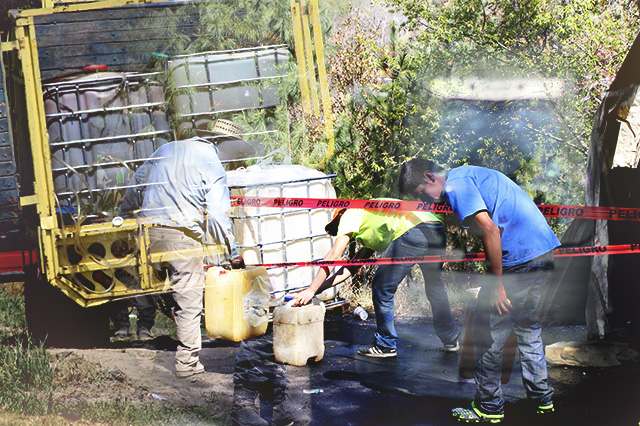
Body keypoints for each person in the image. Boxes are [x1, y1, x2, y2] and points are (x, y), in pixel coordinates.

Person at [399, 158, 559, 424]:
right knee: (527, 327)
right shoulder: (467, 175)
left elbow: (490, 229)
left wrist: (496, 284)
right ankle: (542, 400)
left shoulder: (454, 187)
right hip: (541, 253)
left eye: (421, 193)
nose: (426, 201)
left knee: (487, 335)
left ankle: (489, 407)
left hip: (518, 259)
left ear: (429, 178)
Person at [120, 137, 245, 377]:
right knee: (188, 298)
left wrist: (124, 216)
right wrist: (231, 253)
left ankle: (142, 341)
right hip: (182, 236)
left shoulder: (166, 148)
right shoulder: (212, 162)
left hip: (148, 231)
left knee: (148, 287)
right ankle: (187, 363)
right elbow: (219, 215)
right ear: (222, 148)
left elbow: (136, 183)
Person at [291, 201, 459, 357]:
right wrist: (315, 289)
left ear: (340, 215)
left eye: (338, 229)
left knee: (381, 286)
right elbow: (351, 267)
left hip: (413, 230)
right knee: (434, 286)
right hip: (434, 227)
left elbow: (334, 255)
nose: (343, 233)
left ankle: (385, 344)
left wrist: (311, 289)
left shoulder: (350, 213)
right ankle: (450, 338)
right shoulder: (372, 220)